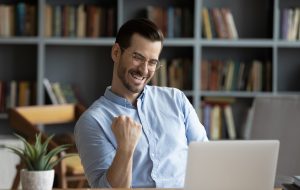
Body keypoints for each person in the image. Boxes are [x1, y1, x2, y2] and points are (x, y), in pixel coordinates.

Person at [74, 18, 208, 188]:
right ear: (116, 53)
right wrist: (125, 149)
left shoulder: (176, 99)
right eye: (137, 57)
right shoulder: (92, 121)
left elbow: (205, 159)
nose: (144, 70)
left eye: (152, 62)